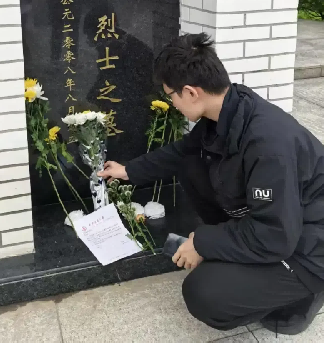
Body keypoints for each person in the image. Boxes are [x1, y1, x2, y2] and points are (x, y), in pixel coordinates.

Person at [98, 33, 324, 335]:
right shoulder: (227, 110)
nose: (172, 103)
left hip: (308, 245)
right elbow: (182, 153)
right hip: (282, 222)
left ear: (191, 92)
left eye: (171, 96)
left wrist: (203, 242)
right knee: (192, 164)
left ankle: (302, 295)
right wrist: (129, 170)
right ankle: (253, 264)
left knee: (204, 293)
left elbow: (275, 236)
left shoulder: (268, 145)